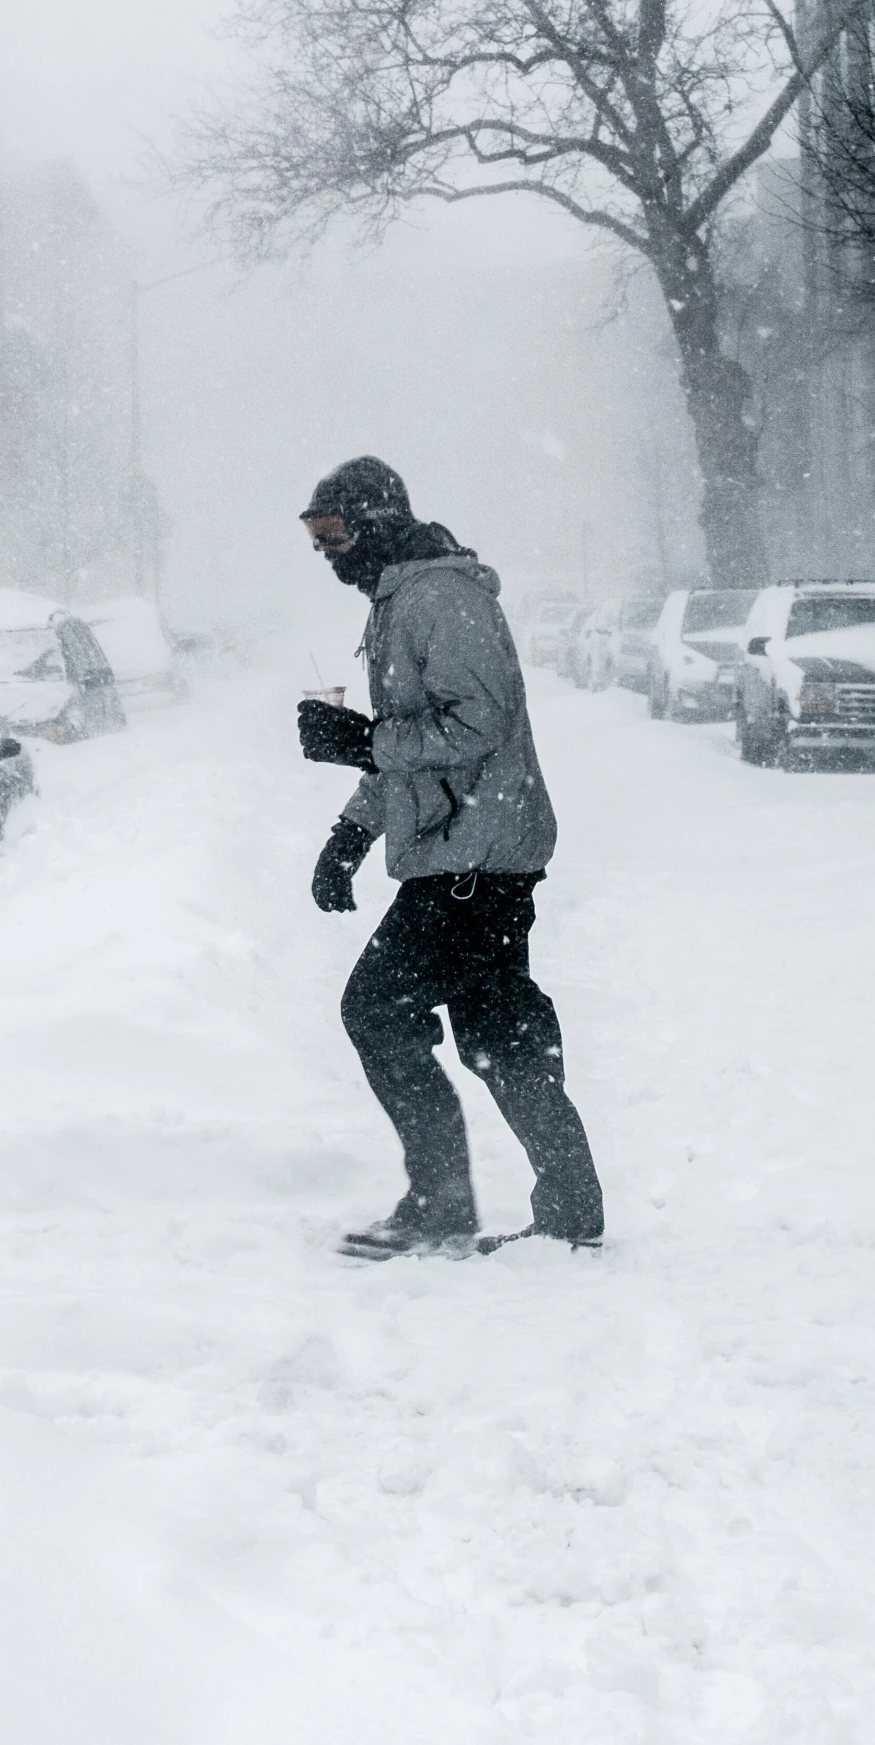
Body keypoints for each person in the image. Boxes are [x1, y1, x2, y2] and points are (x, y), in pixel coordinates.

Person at [297, 456, 604, 1260]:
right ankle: (569, 1211)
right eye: (314, 536)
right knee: (498, 1031)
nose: (324, 551)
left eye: (331, 533)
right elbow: (413, 750)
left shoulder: (442, 598)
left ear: (374, 523)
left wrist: (364, 741)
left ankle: (442, 1205)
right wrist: (350, 834)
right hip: (470, 851)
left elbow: (479, 725)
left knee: (375, 1009)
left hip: (475, 856)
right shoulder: (402, 601)